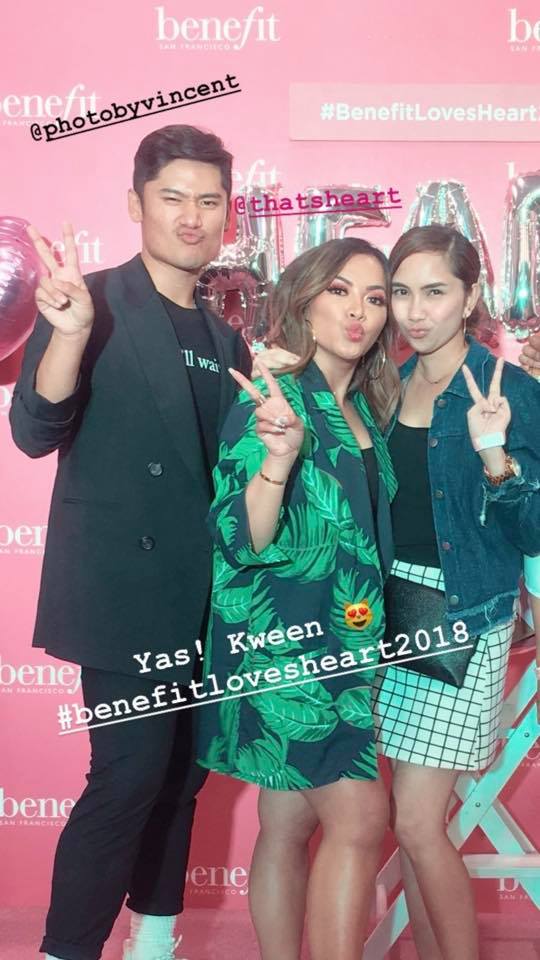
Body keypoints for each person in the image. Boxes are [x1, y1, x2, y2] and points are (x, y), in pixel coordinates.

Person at [9, 125, 252, 960]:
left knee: (182, 777)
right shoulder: (89, 301)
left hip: (205, 601)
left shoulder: (226, 338)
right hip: (122, 596)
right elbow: (34, 431)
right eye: (172, 197)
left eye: (209, 200)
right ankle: (64, 951)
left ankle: (154, 940)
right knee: (128, 778)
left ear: (227, 215)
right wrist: (71, 334)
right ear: (135, 204)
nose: (192, 216)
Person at [197, 237, 401, 960]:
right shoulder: (273, 396)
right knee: (360, 820)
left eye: (375, 298)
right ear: (304, 302)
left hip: (347, 647)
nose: (358, 311)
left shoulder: (363, 406)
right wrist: (278, 464)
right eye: (339, 291)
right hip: (285, 647)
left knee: (286, 823)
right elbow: (242, 537)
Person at [370, 224, 540, 960]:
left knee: (415, 821)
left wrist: (494, 454)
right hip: (385, 612)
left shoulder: (512, 390)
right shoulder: (385, 383)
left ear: (470, 297)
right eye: (402, 292)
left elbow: (533, 529)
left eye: (435, 292)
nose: (415, 311)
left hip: (462, 613)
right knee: (409, 821)